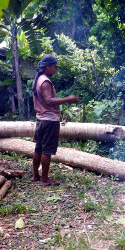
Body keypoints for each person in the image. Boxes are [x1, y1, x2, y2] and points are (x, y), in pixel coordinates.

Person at [30, 54, 79, 186]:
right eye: (54, 67)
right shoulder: (45, 81)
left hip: (41, 119)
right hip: (49, 120)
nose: (55, 70)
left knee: (38, 148)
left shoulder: (38, 79)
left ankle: (35, 175)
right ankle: (44, 179)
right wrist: (69, 99)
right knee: (46, 150)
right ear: (48, 66)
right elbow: (48, 100)